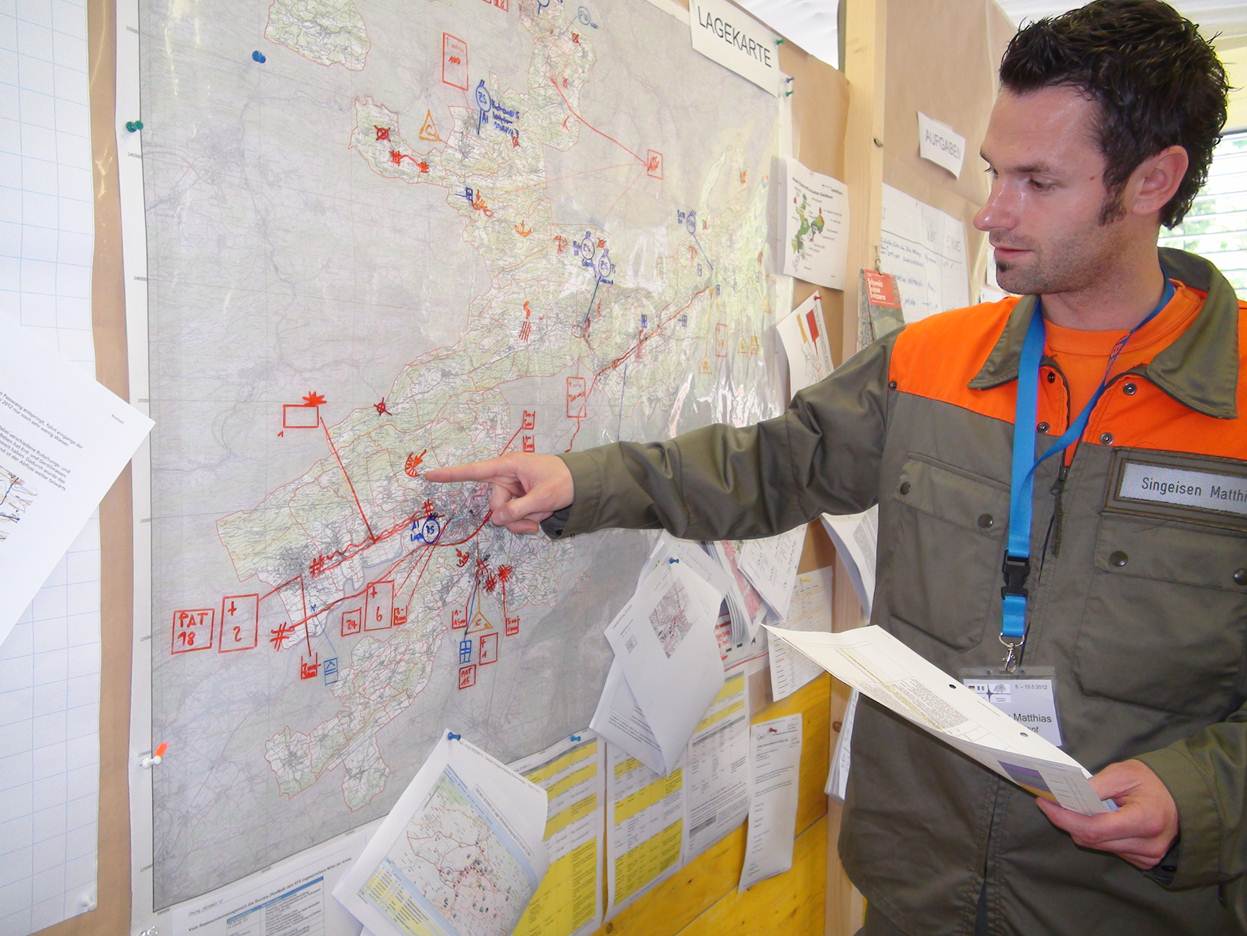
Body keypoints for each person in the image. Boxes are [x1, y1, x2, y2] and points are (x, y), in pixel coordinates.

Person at [428, 1, 1246, 931]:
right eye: (993, 171)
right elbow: (769, 467)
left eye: (1037, 181)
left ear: (1151, 182)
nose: (991, 211)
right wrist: (584, 481)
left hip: (1126, 910)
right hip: (913, 896)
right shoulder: (929, 362)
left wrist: (1200, 795)